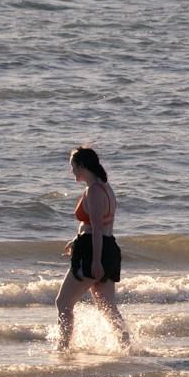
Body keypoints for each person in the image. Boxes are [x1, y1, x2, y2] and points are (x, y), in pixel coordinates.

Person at [56, 146, 132, 352]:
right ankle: (127, 347)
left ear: (81, 166)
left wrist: (96, 261)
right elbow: (99, 226)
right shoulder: (105, 187)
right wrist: (77, 238)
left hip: (94, 251)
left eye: (72, 165)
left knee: (63, 302)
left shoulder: (94, 191)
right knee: (107, 307)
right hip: (105, 248)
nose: (70, 170)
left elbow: (98, 228)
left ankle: (63, 348)